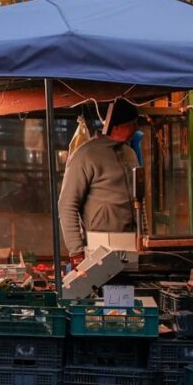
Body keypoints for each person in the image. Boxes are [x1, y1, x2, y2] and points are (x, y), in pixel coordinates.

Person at [58, 98, 140, 269]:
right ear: (118, 127)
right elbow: (67, 204)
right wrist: (76, 251)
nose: (135, 128)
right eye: (132, 124)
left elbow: (140, 200)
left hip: (131, 242)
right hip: (99, 245)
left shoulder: (130, 154)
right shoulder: (85, 155)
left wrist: (143, 235)